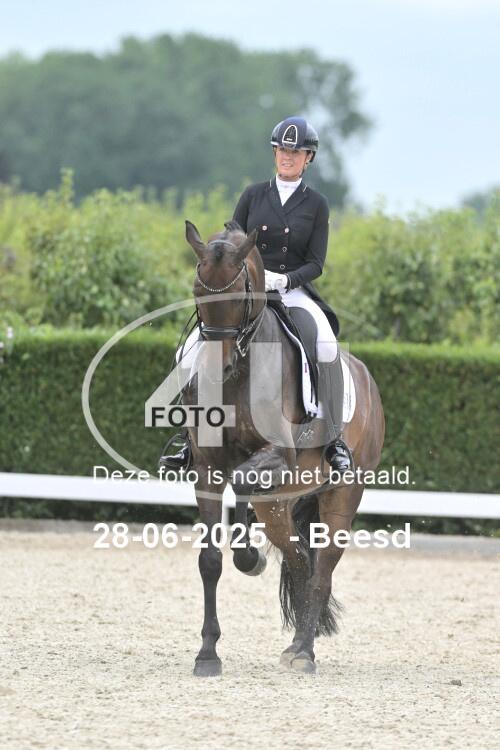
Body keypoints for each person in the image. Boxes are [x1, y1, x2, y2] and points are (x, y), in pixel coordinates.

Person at [160, 116, 352, 475]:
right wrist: (238, 273)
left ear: (308, 158)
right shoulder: (253, 195)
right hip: (247, 291)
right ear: (275, 153)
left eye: (296, 152)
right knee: (188, 349)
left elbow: (316, 263)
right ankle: (189, 440)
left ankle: (334, 440)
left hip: (291, 292)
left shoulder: (317, 204)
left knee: (326, 344)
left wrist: (285, 280)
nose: (287, 157)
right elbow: (232, 238)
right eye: (282, 150)